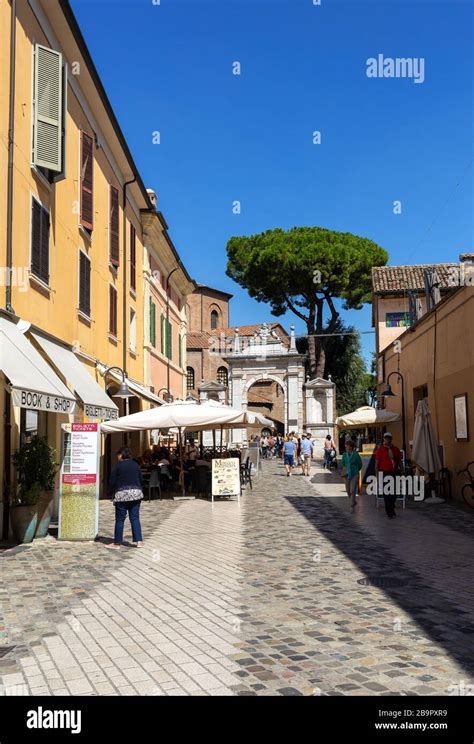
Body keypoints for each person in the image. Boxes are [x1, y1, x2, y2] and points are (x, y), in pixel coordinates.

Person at [107, 447, 144, 549]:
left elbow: (112, 481)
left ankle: (117, 543)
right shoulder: (136, 465)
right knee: (135, 518)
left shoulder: (118, 466)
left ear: (121, 455)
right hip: (136, 494)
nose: (117, 457)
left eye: (118, 455)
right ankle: (139, 541)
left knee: (120, 519)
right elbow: (141, 479)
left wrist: (110, 492)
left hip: (122, 495)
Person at [375, 432, 402, 519]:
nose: (387, 439)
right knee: (387, 493)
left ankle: (392, 506)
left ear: (391, 439)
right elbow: (377, 463)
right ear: (384, 439)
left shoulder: (396, 449)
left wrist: (402, 470)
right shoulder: (380, 450)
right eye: (386, 438)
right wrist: (377, 474)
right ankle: (389, 512)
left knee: (395, 492)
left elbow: (399, 461)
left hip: (395, 472)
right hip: (385, 472)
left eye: (389, 438)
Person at [341, 439, 362, 513]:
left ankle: (352, 505)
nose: (346, 447)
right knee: (348, 491)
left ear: (351, 447)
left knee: (353, 490)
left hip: (354, 474)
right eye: (346, 446)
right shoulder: (344, 455)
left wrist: (355, 470)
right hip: (347, 474)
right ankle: (353, 502)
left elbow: (360, 464)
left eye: (347, 446)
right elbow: (342, 464)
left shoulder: (356, 455)